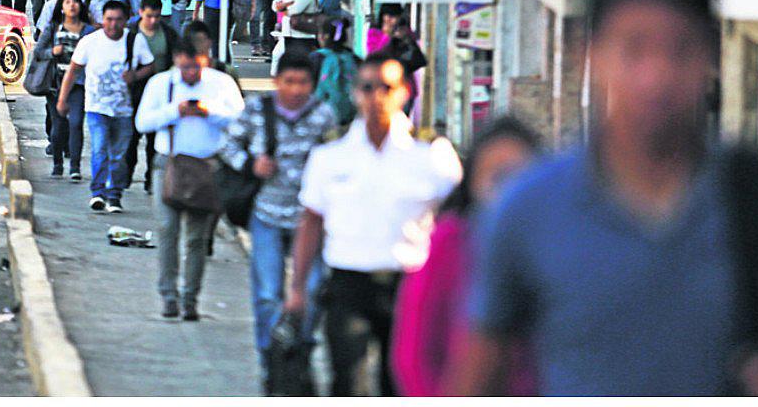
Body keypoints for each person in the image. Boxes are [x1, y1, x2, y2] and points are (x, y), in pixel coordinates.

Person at [452, 0, 758, 397]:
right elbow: (478, 376)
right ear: (589, 55)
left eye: (680, 49)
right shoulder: (529, 210)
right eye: (633, 49)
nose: (657, 76)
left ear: (711, 58)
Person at [285, 52, 462, 396]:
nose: (376, 96)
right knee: (349, 382)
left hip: (411, 285)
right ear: (355, 93)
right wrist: (297, 289)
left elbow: (459, 223)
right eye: (367, 87)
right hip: (349, 283)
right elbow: (311, 221)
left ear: (404, 92)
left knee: (402, 383)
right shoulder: (330, 155)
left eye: (386, 87)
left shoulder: (431, 154)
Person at [389, 117, 542, 397]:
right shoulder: (451, 243)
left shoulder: (557, 248)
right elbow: (413, 353)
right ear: (472, 180)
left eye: (520, 177)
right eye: (497, 175)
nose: (508, 190)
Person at [219, 52, 340, 392]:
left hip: (310, 220)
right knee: (268, 294)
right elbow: (227, 144)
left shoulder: (322, 116)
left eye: (303, 82)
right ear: (277, 82)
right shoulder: (258, 111)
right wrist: (249, 164)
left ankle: (297, 348)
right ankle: (271, 358)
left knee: (314, 290)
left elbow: (334, 159)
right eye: (289, 81)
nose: (296, 89)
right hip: (268, 215)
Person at [135, 38, 245, 321]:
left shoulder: (221, 83)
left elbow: (241, 121)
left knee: (197, 238)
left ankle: (190, 298)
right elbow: (142, 122)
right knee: (167, 230)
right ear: (176, 61)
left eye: (196, 67)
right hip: (168, 166)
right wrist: (175, 110)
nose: (191, 74)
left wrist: (210, 112)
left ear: (205, 60)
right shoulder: (162, 84)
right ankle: (168, 295)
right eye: (185, 68)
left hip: (206, 169)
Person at [57, 0, 155, 214]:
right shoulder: (90, 42)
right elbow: (73, 71)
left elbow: (150, 64)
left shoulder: (134, 41)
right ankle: (98, 193)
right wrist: (62, 99)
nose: (113, 24)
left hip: (123, 109)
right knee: (100, 149)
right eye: (109, 19)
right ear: (102, 20)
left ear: (126, 20)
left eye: (118, 20)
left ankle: (114, 195)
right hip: (96, 107)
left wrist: (135, 75)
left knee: (119, 155)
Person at [35, 0, 94, 180]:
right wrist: (53, 51)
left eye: (75, 2)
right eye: (68, 2)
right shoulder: (53, 28)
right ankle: (58, 163)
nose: (72, 5)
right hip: (55, 83)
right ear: (62, 6)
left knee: (76, 123)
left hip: (78, 84)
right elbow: (39, 51)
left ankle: (75, 166)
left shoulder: (87, 31)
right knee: (58, 125)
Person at [124, 0, 178, 192]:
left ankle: (150, 180)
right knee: (131, 138)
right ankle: (126, 176)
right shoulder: (130, 33)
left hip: (161, 94)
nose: (153, 21)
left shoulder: (169, 34)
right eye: (149, 16)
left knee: (154, 141)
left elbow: (176, 60)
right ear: (140, 13)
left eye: (156, 16)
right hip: (135, 92)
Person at [366, 3, 428, 114]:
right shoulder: (374, 32)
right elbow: (374, 54)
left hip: (404, 87)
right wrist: (388, 36)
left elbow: (417, 58)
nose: (390, 19)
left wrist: (405, 38)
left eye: (393, 16)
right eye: (387, 15)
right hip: (382, 86)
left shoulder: (404, 32)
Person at [270, 0, 318, 73]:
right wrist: (287, 4)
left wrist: (283, 7)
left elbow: (295, 11)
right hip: (287, 33)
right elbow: (274, 5)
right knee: (277, 57)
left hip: (302, 35)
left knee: (296, 66)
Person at [312, 17, 359, 128]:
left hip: (322, 117)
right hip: (351, 118)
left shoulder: (316, 58)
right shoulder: (353, 58)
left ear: (324, 36)